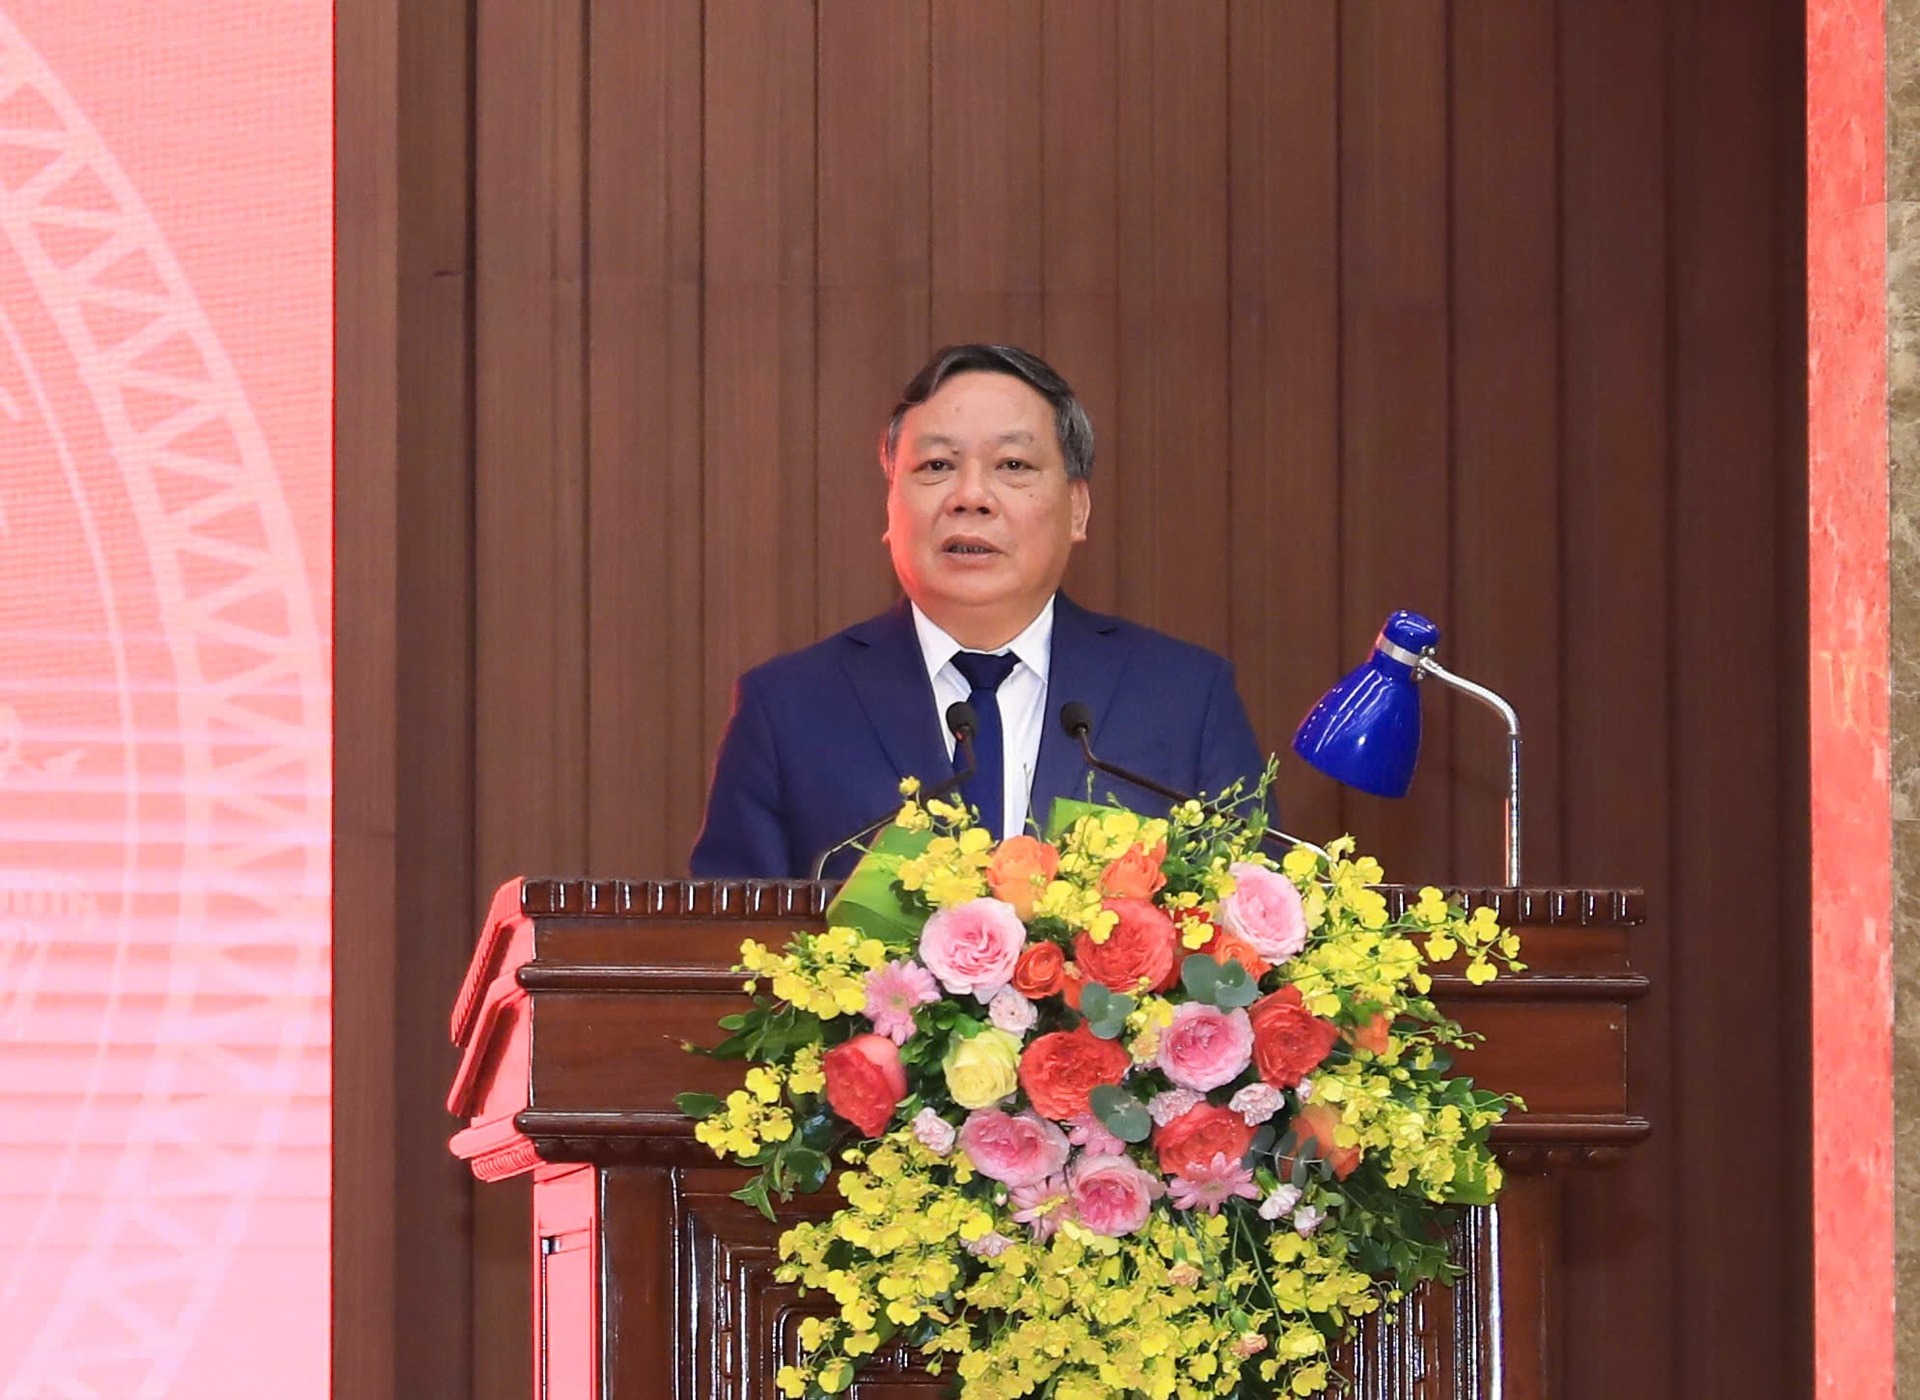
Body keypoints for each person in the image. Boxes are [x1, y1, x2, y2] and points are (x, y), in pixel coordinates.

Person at [689, 343, 1266, 880]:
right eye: (936, 466)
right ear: (890, 507)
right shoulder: (788, 709)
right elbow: (727, 939)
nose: (970, 496)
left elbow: (1254, 931)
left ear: (1077, 509)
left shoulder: (1185, 700)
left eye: (1013, 465)